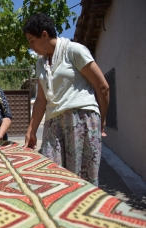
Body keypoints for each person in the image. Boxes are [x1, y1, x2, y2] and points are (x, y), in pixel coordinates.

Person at [22, 13, 109, 186]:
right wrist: (31, 131)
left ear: (45, 35)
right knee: (53, 179)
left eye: (32, 40)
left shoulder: (74, 51)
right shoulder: (41, 64)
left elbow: (102, 87)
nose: (31, 46)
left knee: (81, 182)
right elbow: (41, 99)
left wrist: (102, 120)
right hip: (53, 125)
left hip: (81, 119)